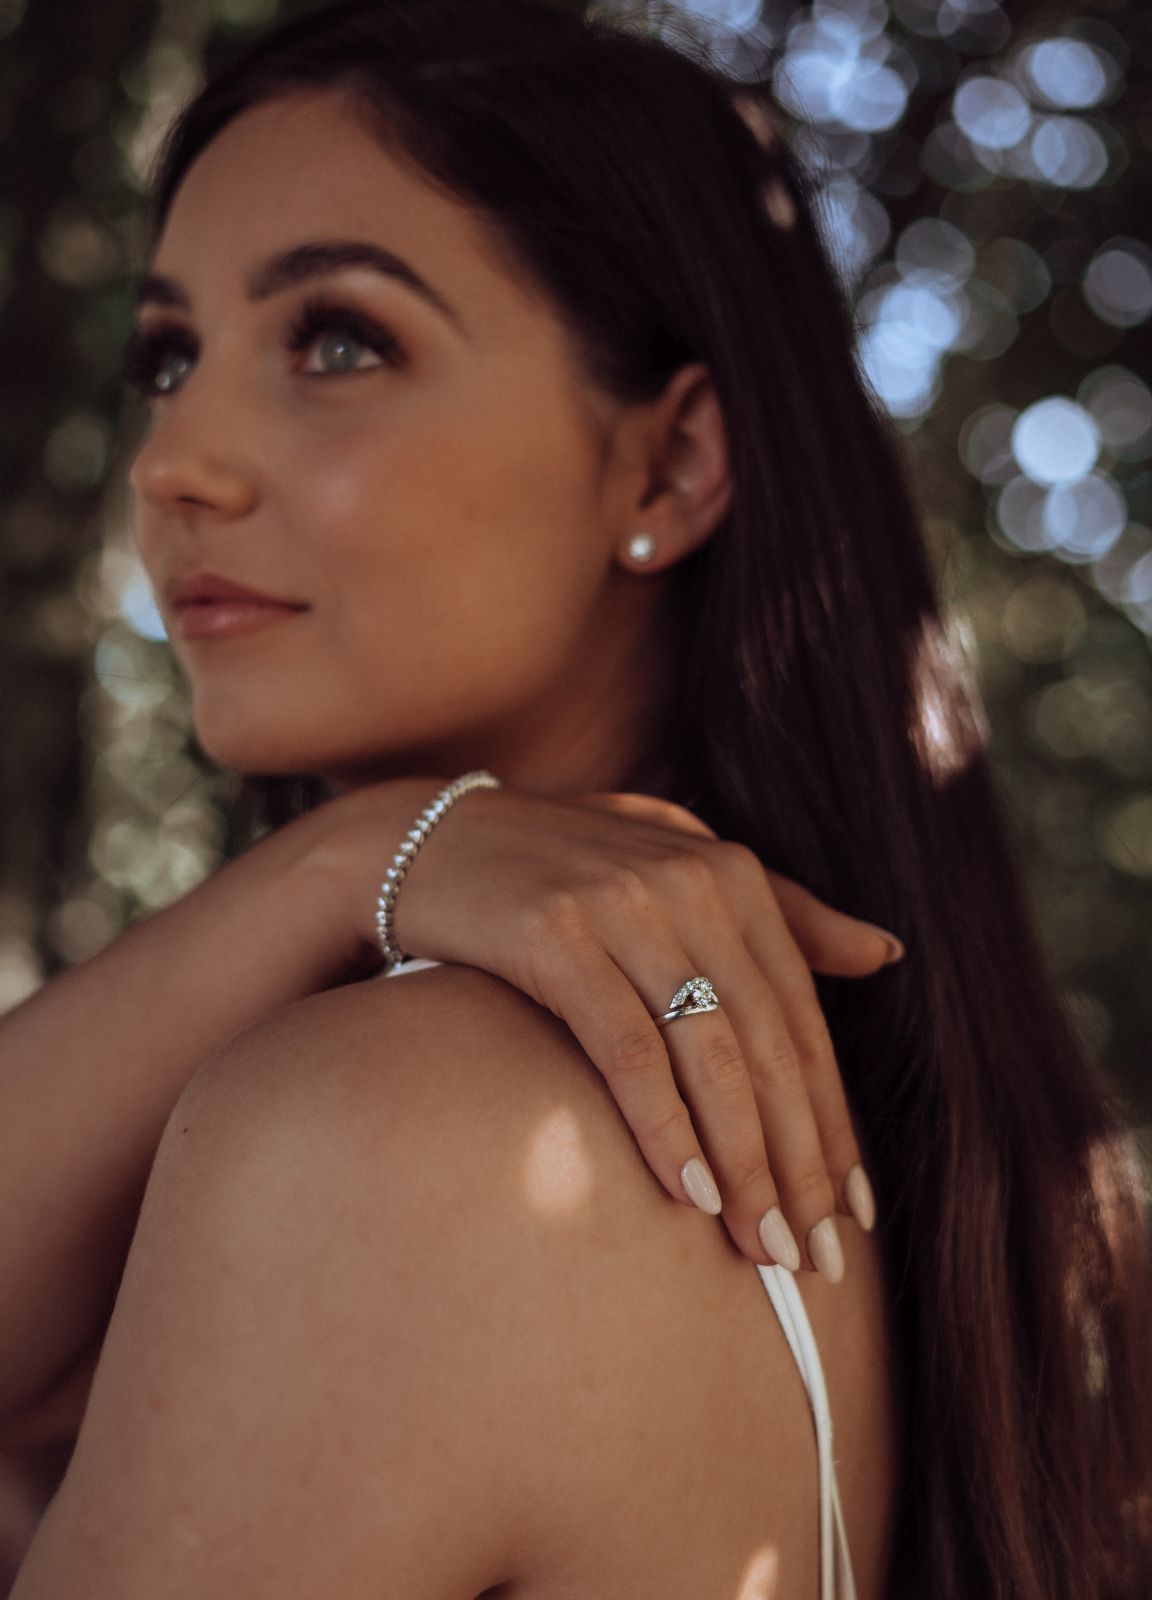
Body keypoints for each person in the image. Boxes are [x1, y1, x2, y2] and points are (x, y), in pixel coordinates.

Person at [2, 1, 1149, 1596]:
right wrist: (349, 862)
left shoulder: (400, 1134)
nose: (171, 462)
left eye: (341, 341)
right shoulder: (913, 1173)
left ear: (668, 467)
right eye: (168, 358)